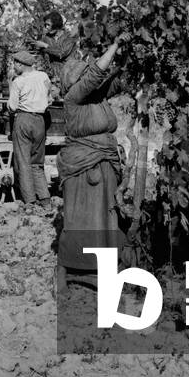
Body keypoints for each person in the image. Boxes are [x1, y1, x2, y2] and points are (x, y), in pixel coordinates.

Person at [56, 32, 131, 279]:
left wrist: (126, 58)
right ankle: (72, 265)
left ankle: (104, 262)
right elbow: (94, 77)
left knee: (104, 216)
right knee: (81, 219)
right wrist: (115, 45)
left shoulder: (96, 97)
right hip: (84, 164)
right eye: (83, 75)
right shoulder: (73, 99)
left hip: (102, 160)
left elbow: (112, 81)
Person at [7, 50, 55, 213]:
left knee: (24, 162)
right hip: (40, 121)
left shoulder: (18, 81)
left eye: (15, 63)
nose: (14, 66)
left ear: (20, 64)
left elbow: (13, 107)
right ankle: (45, 198)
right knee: (37, 162)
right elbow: (50, 97)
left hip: (24, 120)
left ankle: (29, 201)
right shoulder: (43, 77)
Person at [33, 11, 78, 87]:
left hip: (69, 75)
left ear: (56, 25)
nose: (46, 27)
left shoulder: (69, 37)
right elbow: (40, 56)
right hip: (53, 77)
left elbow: (61, 53)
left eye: (48, 25)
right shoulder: (46, 38)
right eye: (45, 25)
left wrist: (45, 46)